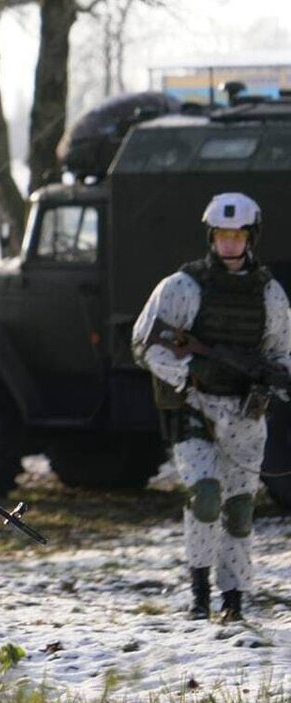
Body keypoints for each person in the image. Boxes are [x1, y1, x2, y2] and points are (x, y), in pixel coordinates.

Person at [132, 193, 291, 622]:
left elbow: (281, 352)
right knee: (205, 497)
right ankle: (199, 589)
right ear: (211, 236)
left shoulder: (270, 294)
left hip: (245, 412)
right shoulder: (183, 288)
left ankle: (234, 599)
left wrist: (273, 381)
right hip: (195, 407)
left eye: (236, 236)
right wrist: (191, 375)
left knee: (239, 508)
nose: (228, 244)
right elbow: (145, 344)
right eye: (222, 235)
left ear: (250, 238)